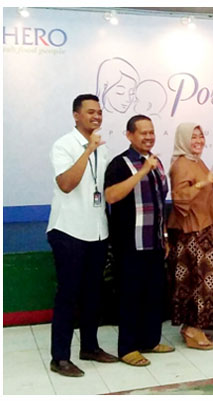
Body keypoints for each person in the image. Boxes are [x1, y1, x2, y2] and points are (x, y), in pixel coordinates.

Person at [46, 94, 118, 377]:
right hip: (68, 230)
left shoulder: (104, 148)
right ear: (76, 115)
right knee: (68, 295)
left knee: (93, 294)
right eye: (90, 112)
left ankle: (89, 347)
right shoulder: (63, 145)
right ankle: (59, 357)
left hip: (97, 231)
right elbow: (66, 184)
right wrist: (87, 151)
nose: (96, 116)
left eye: (99, 112)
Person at [104, 114, 174, 367]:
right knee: (131, 295)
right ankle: (127, 348)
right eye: (143, 132)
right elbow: (111, 196)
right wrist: (143, 171)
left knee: (153, 294)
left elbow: (160, 203)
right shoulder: (120, 163)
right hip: (130, 243)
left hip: (154, 241)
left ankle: (150, 341)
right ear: (129, 135)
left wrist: (164, 236)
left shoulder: (157, 162)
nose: (149, 137)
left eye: (151, 132)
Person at [167, 122, 213, 350]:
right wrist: (203, 183)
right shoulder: (180, 164)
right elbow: (179, 197)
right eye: (193, 136)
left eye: (200, 136)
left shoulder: (196, 161)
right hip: (192, 233)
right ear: (183, 139)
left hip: (204, 228)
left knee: (206, 281)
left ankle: (195, 327)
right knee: (198, 281)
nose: (198, 141)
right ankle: (192, 329)